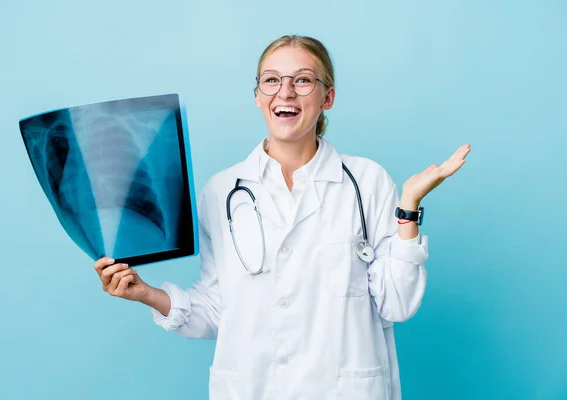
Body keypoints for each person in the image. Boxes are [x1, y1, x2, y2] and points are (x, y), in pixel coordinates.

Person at [94, 35, 470, 400]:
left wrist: (408, 210)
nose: (285, 92)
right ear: (258, 97)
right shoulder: (221, 192)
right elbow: (217, 310)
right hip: (253, 388)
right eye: (271, 80)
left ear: (328, 97)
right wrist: (147, 294)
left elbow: (398, 304)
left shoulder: (366, 182)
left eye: (303, 80)